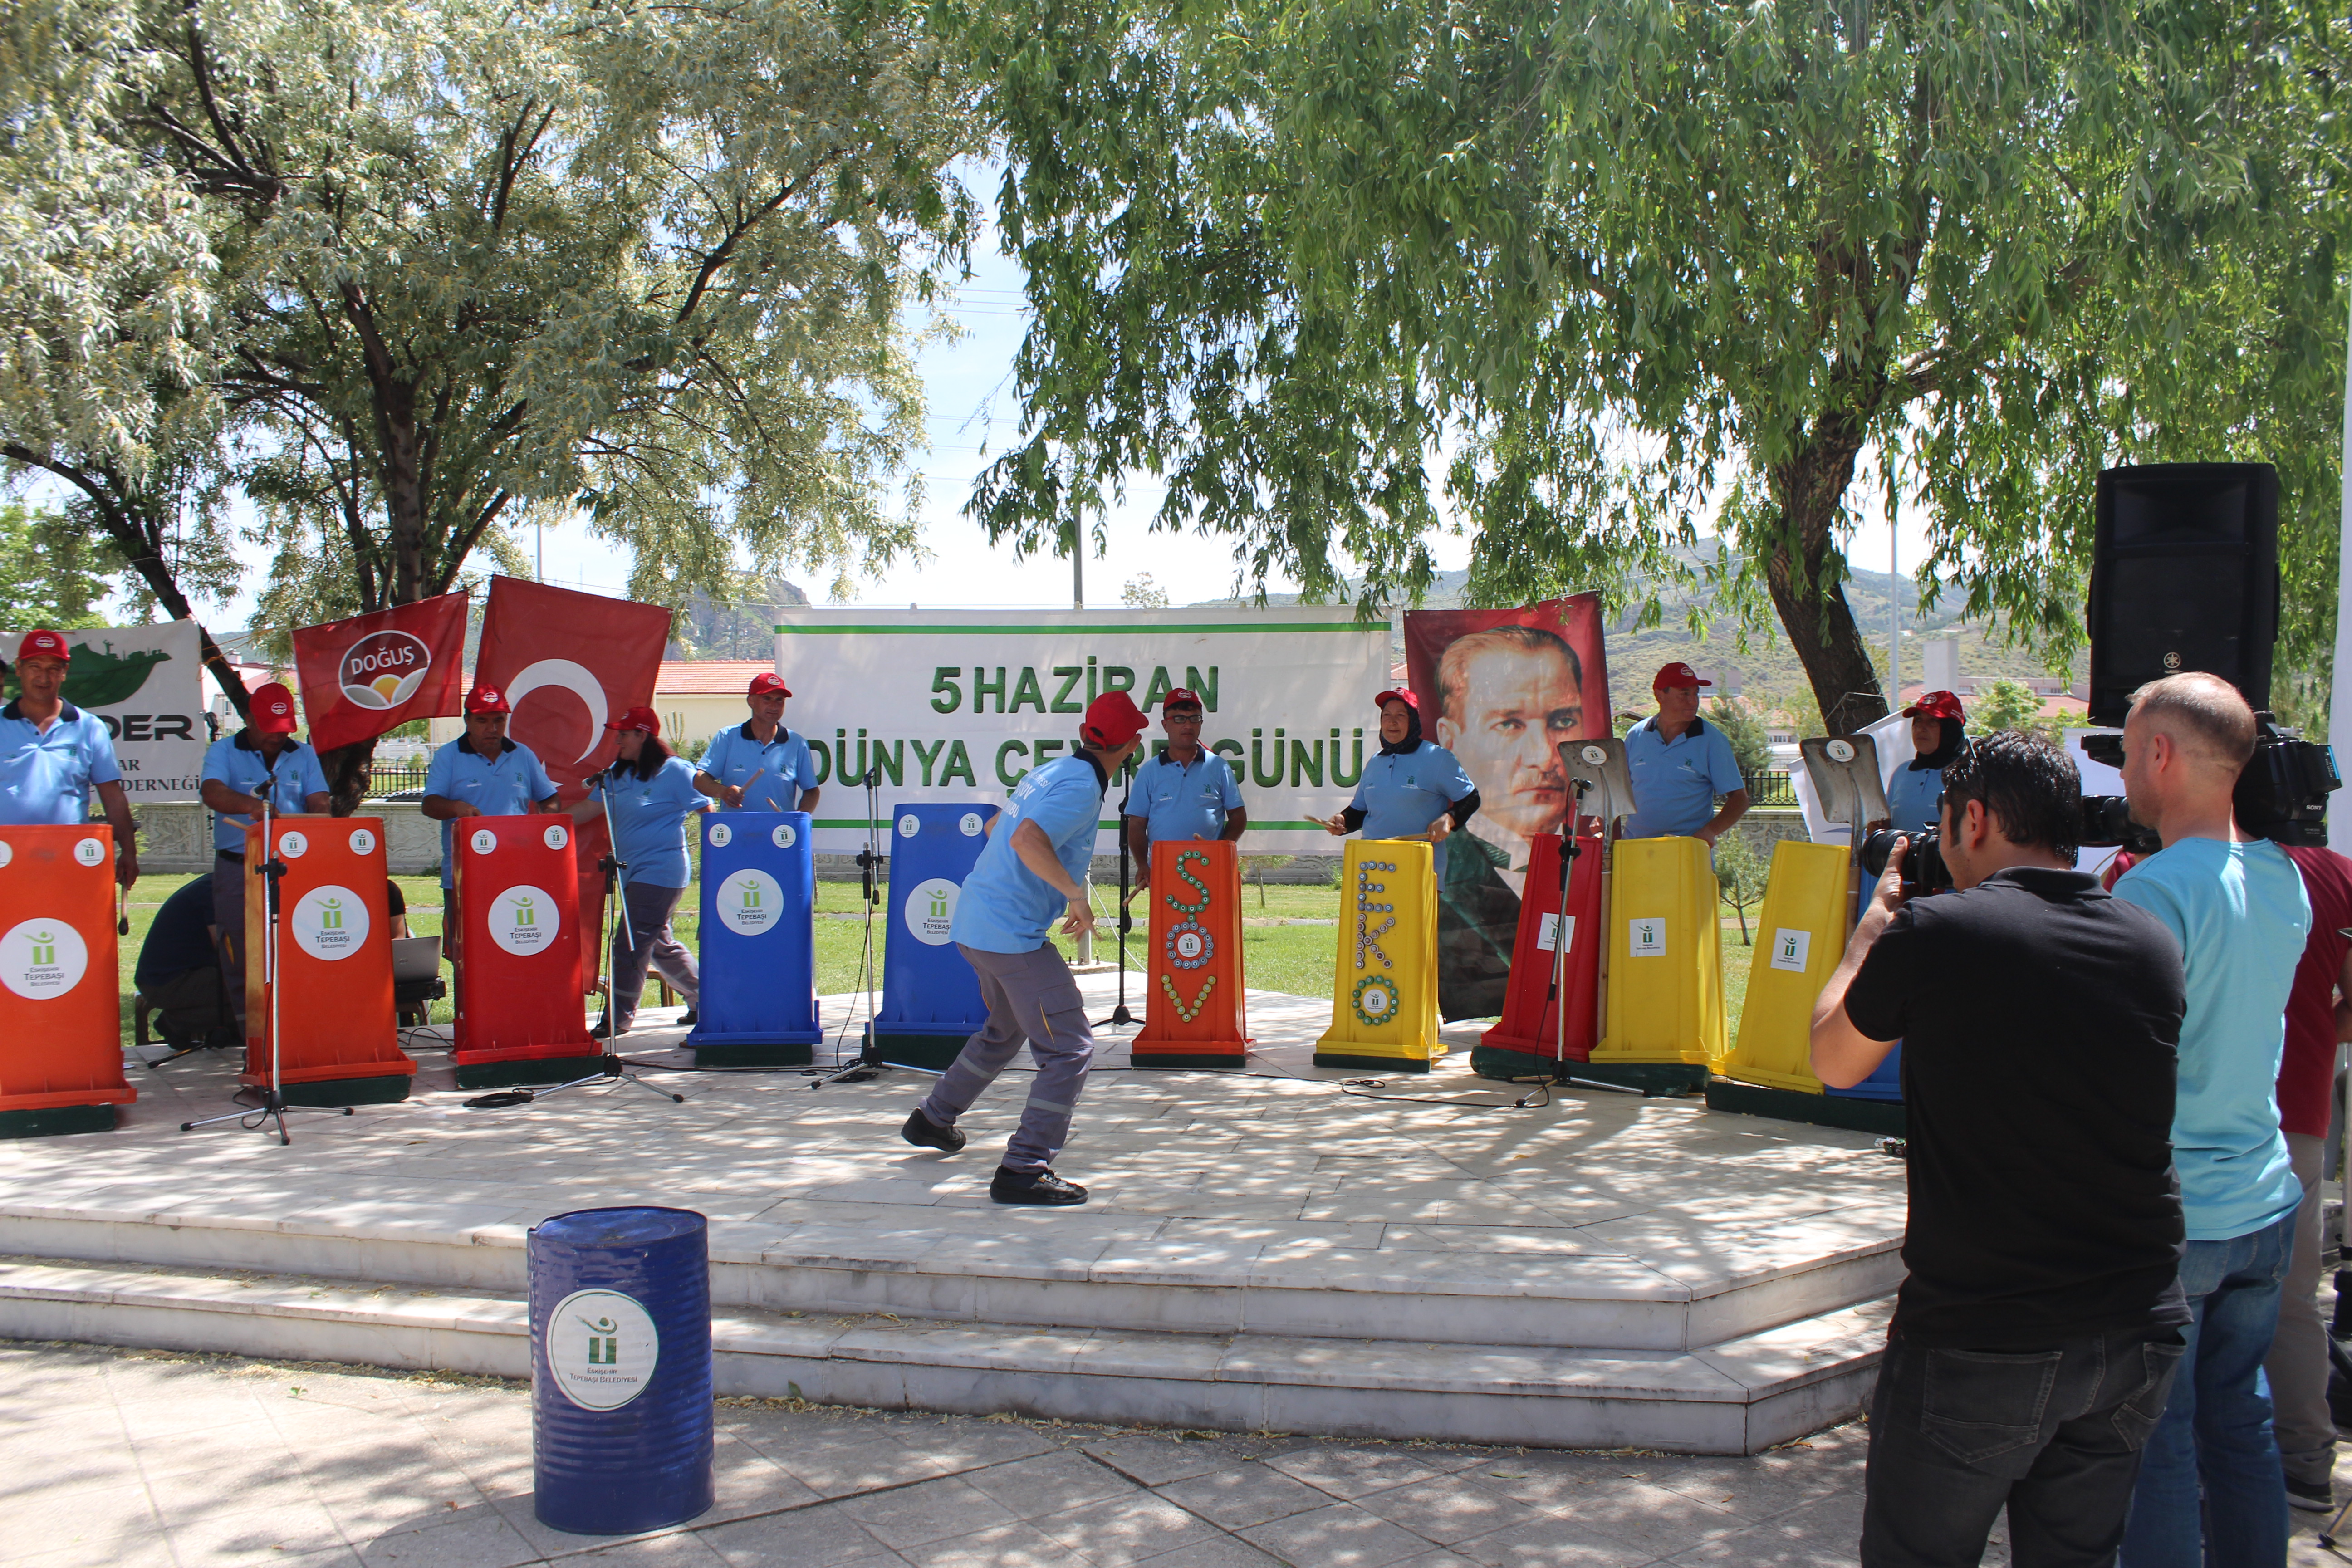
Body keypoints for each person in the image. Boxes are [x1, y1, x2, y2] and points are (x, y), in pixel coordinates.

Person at [1808, 730, 2190, 1567]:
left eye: (1945, 822)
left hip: (1982, 1331)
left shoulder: (1937, 933)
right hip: (2132, 1321)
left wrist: (1872, 927)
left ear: (1971, 819)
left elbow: (1833, 1059)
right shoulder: (2147, 942)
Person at [2112, 672, 2308, 1566]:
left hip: (2179, 1217)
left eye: (2126, 750)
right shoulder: (2283, 879)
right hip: (2268, 1200)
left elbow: (2111, 1066)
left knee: (2160, 1436)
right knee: (2242, 1421)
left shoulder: (2152, 893)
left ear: (2162, 754)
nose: (2121, 774)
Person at [900, 691, 1149, 1206]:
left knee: (1005, 1029)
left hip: (975, 923)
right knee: (1070, 1048)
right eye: (1138, 736)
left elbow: (998, 827)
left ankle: (932, 1119)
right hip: (1010, 935)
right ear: (1130, 743)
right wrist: (1076, 896)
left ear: (1086, 733)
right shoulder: (1082, 787)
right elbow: (1026, 838)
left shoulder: (1052, 771)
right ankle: (1023, 1168)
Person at [2264, 841, 2352, 1514]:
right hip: (2301, 1117)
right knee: (2294, 1301)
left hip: (2195, 1127)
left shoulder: (2161, 864)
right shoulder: (2337, 874)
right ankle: (2306, 1463)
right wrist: (2320, 1027)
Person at [569, 706, 706, 1037]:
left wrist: (723, 850)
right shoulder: (616, 774)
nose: (617, 740)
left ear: (643, 736)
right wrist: (545, 824)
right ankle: (707, 1001)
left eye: (624, 734)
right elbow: (586, 810)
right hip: (632, 874)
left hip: (663, 871)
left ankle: (618, 1019)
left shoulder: (675, 771)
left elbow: (706, 809)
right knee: (659, 944)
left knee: (630, 942)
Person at [199, 682, 329, 1024]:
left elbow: (319, 801)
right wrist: (253, 807)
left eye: (284, 730)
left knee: (297, 943)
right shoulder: (224, 751)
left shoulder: (303, 754)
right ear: (248, 720)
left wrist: (321, 816)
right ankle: (251, 1031)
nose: (277, 738)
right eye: (270, 730)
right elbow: (212, 792)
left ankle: (297, 1022)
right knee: (241, 949)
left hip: (292, 868)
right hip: (238, 868)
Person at [1431, 625, 1586, 898]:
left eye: (1563, 722)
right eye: (1508, 724)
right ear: (1451, 741)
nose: (1544, 758)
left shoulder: (1591, 860)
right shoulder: (1437, 874)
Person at [421, 684, 559, 961]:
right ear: (468, 721)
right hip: (465, 875)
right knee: (466, 953)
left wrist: (543, 823)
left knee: (515, 946)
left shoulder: (522, 755)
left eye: (499, 721)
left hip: (518, 872)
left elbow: (550, 799)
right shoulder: (449, 756)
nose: (492, 729)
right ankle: (468, 1006)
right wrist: (456, 808)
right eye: (483, 721)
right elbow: (430, 805)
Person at [0, 628, 140, 887]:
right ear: (19, 668)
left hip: (68, 857)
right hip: (5, 857)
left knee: (65, 928)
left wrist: (129, 852)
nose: (44, 677)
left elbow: (113, 796)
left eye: (53, 668)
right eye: (34, 667)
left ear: (65, 672)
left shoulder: (90, 727)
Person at [1319, 690, 1480, 876]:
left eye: (1400, 715)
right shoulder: (1375, 762)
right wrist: (1343, 821)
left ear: (1413, 721)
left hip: (1419, 869)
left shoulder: (1437, 758)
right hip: (1372, 866)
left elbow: (1471, 799)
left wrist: (1449, 818)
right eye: (1386, 715)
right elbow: (1360, 811)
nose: (1392, 722)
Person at [1120, 688, 1245, 882]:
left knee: (1214, 913)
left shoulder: (1219, 767)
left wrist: (1220, 850)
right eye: (1179, 719)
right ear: (1165, 725)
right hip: (1163, 871)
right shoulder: (1149, 772)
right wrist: (1143, 865)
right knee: (1167, 913)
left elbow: (1238, 816)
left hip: (1210, 869)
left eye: (1194, 718)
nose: (1188, 725)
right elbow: (1136, 825)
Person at [1620, 661, 1749, 844]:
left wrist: (1710, 832)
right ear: (1659, 695)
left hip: (1687, 852)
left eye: (1696, 693)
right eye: (1684, 694)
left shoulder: (1712, 739)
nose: (1693, 701)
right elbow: (1618, 791)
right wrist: (1603, 824)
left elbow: (1739, 799)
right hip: (1636, 848)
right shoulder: (1637, 734)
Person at [695, 672, 821, 813]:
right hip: (734, 831)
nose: (774, 706)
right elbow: (700, 780)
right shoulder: (728, 737)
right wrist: (724, 792)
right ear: (752, 702)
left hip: (780, 833)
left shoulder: (796, 743)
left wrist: (799, 818)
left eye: (780, 700)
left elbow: (812, 791)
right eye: (767, 699)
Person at [134, 872, 230, 1049]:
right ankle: (175, 1024)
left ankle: (182, 1024)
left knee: (246, 989)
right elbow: (223, 947)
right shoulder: (212, 891)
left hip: (175, 977)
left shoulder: (214, 884)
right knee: (248, 991)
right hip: (166, 983)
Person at [1884, 690, 1968, 835]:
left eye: (1933, 721)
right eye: (1918, 720)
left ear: (1951, 729)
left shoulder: (1968, 775)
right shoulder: (1902, 772)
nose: (1921, 728)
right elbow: (1885, 824)